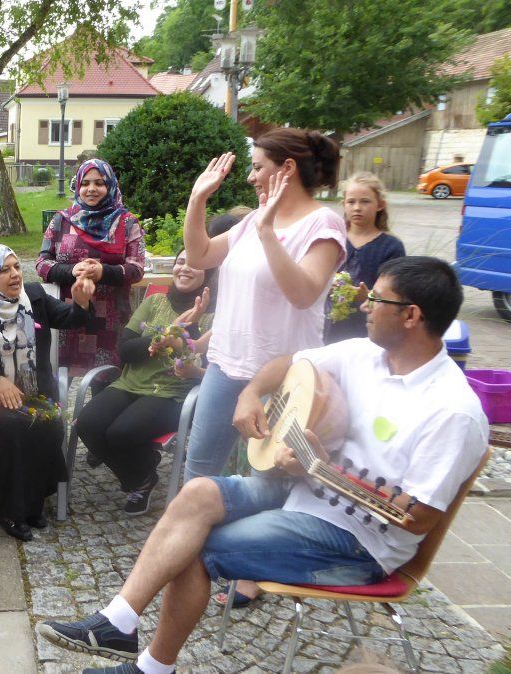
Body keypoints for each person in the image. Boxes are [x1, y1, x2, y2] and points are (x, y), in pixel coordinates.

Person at [37, 256, 488, 674]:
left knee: (196, 548)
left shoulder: (451, 411)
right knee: (197, 494)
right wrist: (252, 395)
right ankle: (118, 622)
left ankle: (152, 668)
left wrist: (319, 468)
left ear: (411, 316)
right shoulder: (364, 355)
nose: (365, 305)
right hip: (303, 494)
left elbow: (416, 518)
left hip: (359, 540)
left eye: (378, 299)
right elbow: (287, 363)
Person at [179, 129, 346, 485]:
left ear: (287, 168)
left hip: (283, 376)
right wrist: (197, 200)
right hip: (225, 365)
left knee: (268, 480)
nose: (251, 177)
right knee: (199, 471)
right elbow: (200, 255)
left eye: (257, 167)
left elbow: (304, 293)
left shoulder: (323, 223)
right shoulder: (254, 220)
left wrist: (269, 232)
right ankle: (194, 537)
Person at [0, 244, 95, 541]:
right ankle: (9, 511)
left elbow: (71, 319)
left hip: (35, 390)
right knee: (11, 429)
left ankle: (33, 505)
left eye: (16, 266)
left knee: (50, 422)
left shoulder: (36, 298)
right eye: (4, 270)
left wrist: (80, 304)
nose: (15, 274)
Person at [76, 249, 215, 516]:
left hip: (172, 393)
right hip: (129, 384)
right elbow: (124, 350)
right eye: (180, 262)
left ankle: (140, 470)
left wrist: (189, 332)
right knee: (88, 424)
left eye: (194, 264)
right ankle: (142, 475)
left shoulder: (214, 317)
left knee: (121, 433)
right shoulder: (154, 303)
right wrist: (158, 338)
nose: (184, 268)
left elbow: (208, 366)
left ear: (208, 272)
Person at [37, 158, 146, 375]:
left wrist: (103, 272)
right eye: (85, 183)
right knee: (60, 380)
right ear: (78, 186)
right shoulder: (61, 221)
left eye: (99, 183)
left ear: (110, 186)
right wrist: (71, 270)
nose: (91, 189)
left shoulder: (127, 223)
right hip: (68, 314)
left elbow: (137, 269)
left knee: (105, 381)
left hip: (109, 320)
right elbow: (42, 264)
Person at [326, 172, 406, 343]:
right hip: (327, 327)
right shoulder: (333, 239)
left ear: (380, 205)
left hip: (368, 332)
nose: (357, 207)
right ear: (344, 204)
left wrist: (368, 297)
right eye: (351, 201)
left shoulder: (391, 247)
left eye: (365, 201)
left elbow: (396, 298)